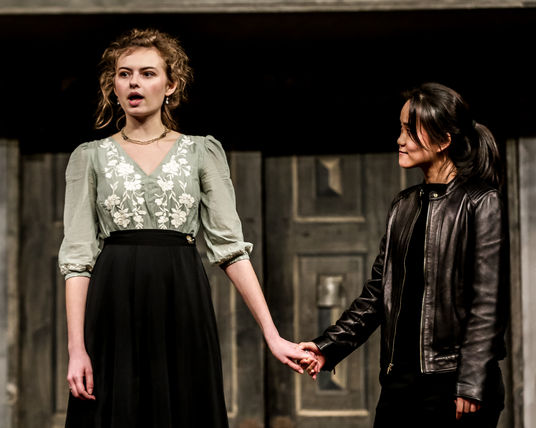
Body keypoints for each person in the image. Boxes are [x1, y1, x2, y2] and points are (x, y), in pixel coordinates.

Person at [58, 28, 309, 428]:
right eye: (124, 74)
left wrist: (272, 334)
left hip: (182, 296)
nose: (134, 83)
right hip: (113, 303)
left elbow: (230, 249)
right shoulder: (90, 157)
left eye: (147, 73)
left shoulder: (200, 152)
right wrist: (76, 350)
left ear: (171, 85)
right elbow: (77, 260)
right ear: (113, 86)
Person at [299, 82, 508, 428]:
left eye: (410, 131)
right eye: (401, 129)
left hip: (454, 385)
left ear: (443, 141)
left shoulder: (480, 202)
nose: (400, 139)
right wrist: (327, 347)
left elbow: (488, 303)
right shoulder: (404, 205)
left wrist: (472, 381)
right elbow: (377, 295)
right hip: (400, 384)